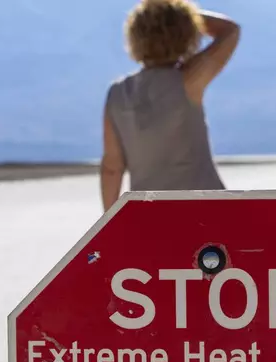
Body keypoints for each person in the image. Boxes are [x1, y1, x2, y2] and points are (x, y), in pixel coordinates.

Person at [99, 0, 241, 212]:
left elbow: (112, 167)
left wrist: (109, 224)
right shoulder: (189, 80)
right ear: (187, 35)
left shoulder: (118, 94)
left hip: (151, 215)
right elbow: (229, 31)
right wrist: (181, 17)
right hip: (206, 211)